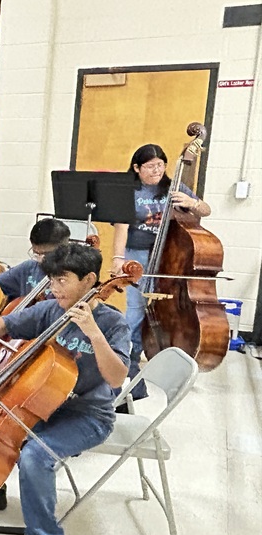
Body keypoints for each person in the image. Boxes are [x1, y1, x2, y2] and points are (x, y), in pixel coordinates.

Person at [0, 242, 131, 535]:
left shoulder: (112, 323)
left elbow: (117, 376)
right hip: (42, 402)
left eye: (62, 280)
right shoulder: (51, 310)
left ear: (90, 279)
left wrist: (93, 335)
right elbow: (4, 324)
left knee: (35, 454)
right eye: (51, 280)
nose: (54, 288)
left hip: (87, 414)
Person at [110, 144, 211, 401]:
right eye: (150, 166)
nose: (157, 170)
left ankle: (163, 356)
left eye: (161, 165)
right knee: (136, 308)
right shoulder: (128, 191)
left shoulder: (174, 189)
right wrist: (117, 258)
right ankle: (128, 360)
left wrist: (193, 203)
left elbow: (206, 210)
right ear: (136, 168)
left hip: (170, 257)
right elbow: (121, 228)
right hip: (138, 254)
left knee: (164, 307)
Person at [0, 218, 71, 324]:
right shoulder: (30, 267)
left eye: (46, 254)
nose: (41, 259)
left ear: (64, 249)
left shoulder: (73, 277)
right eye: (36, 253)